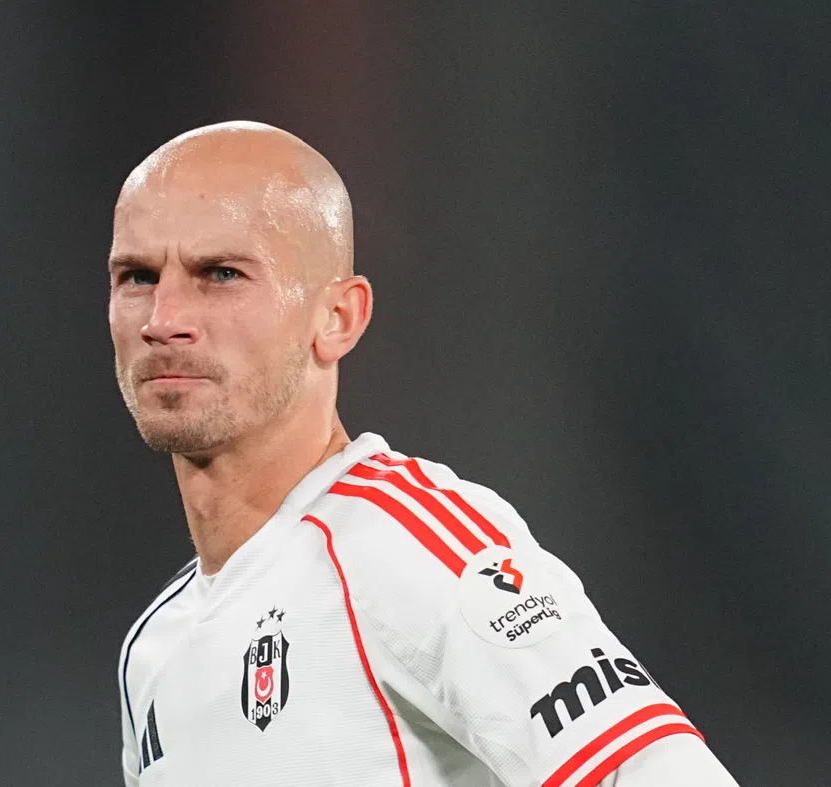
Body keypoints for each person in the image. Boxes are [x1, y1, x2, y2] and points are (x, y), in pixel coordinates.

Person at [109, 121, 739, 787]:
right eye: (137, 277)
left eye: (221, 274)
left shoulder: (407, 547)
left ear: (338, 318)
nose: (162, 319)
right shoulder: (153, 651)